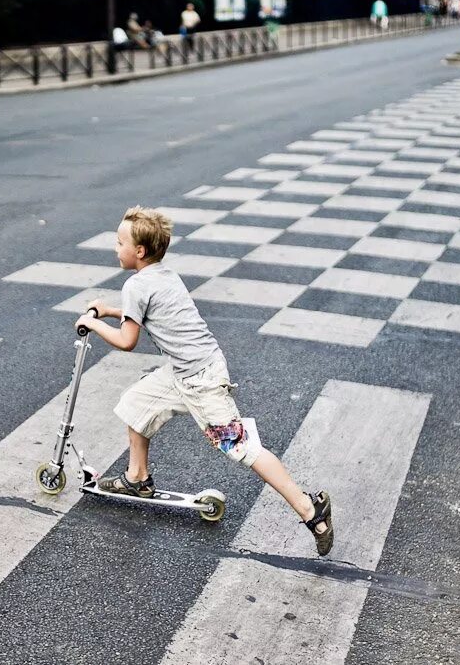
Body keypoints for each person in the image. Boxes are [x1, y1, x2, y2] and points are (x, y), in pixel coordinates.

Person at [74, 206, 335, 556]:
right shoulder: (164, 275)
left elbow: (126, 341)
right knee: (135, 405)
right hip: (188, 369)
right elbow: (147, 312)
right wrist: (109, 310)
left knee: (241, 448)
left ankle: (309, 509)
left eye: (119, 243)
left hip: (200, 380)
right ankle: (137, 478)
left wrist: (93, 323)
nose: (115, 248)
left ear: (139, 251)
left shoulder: (136, 284)